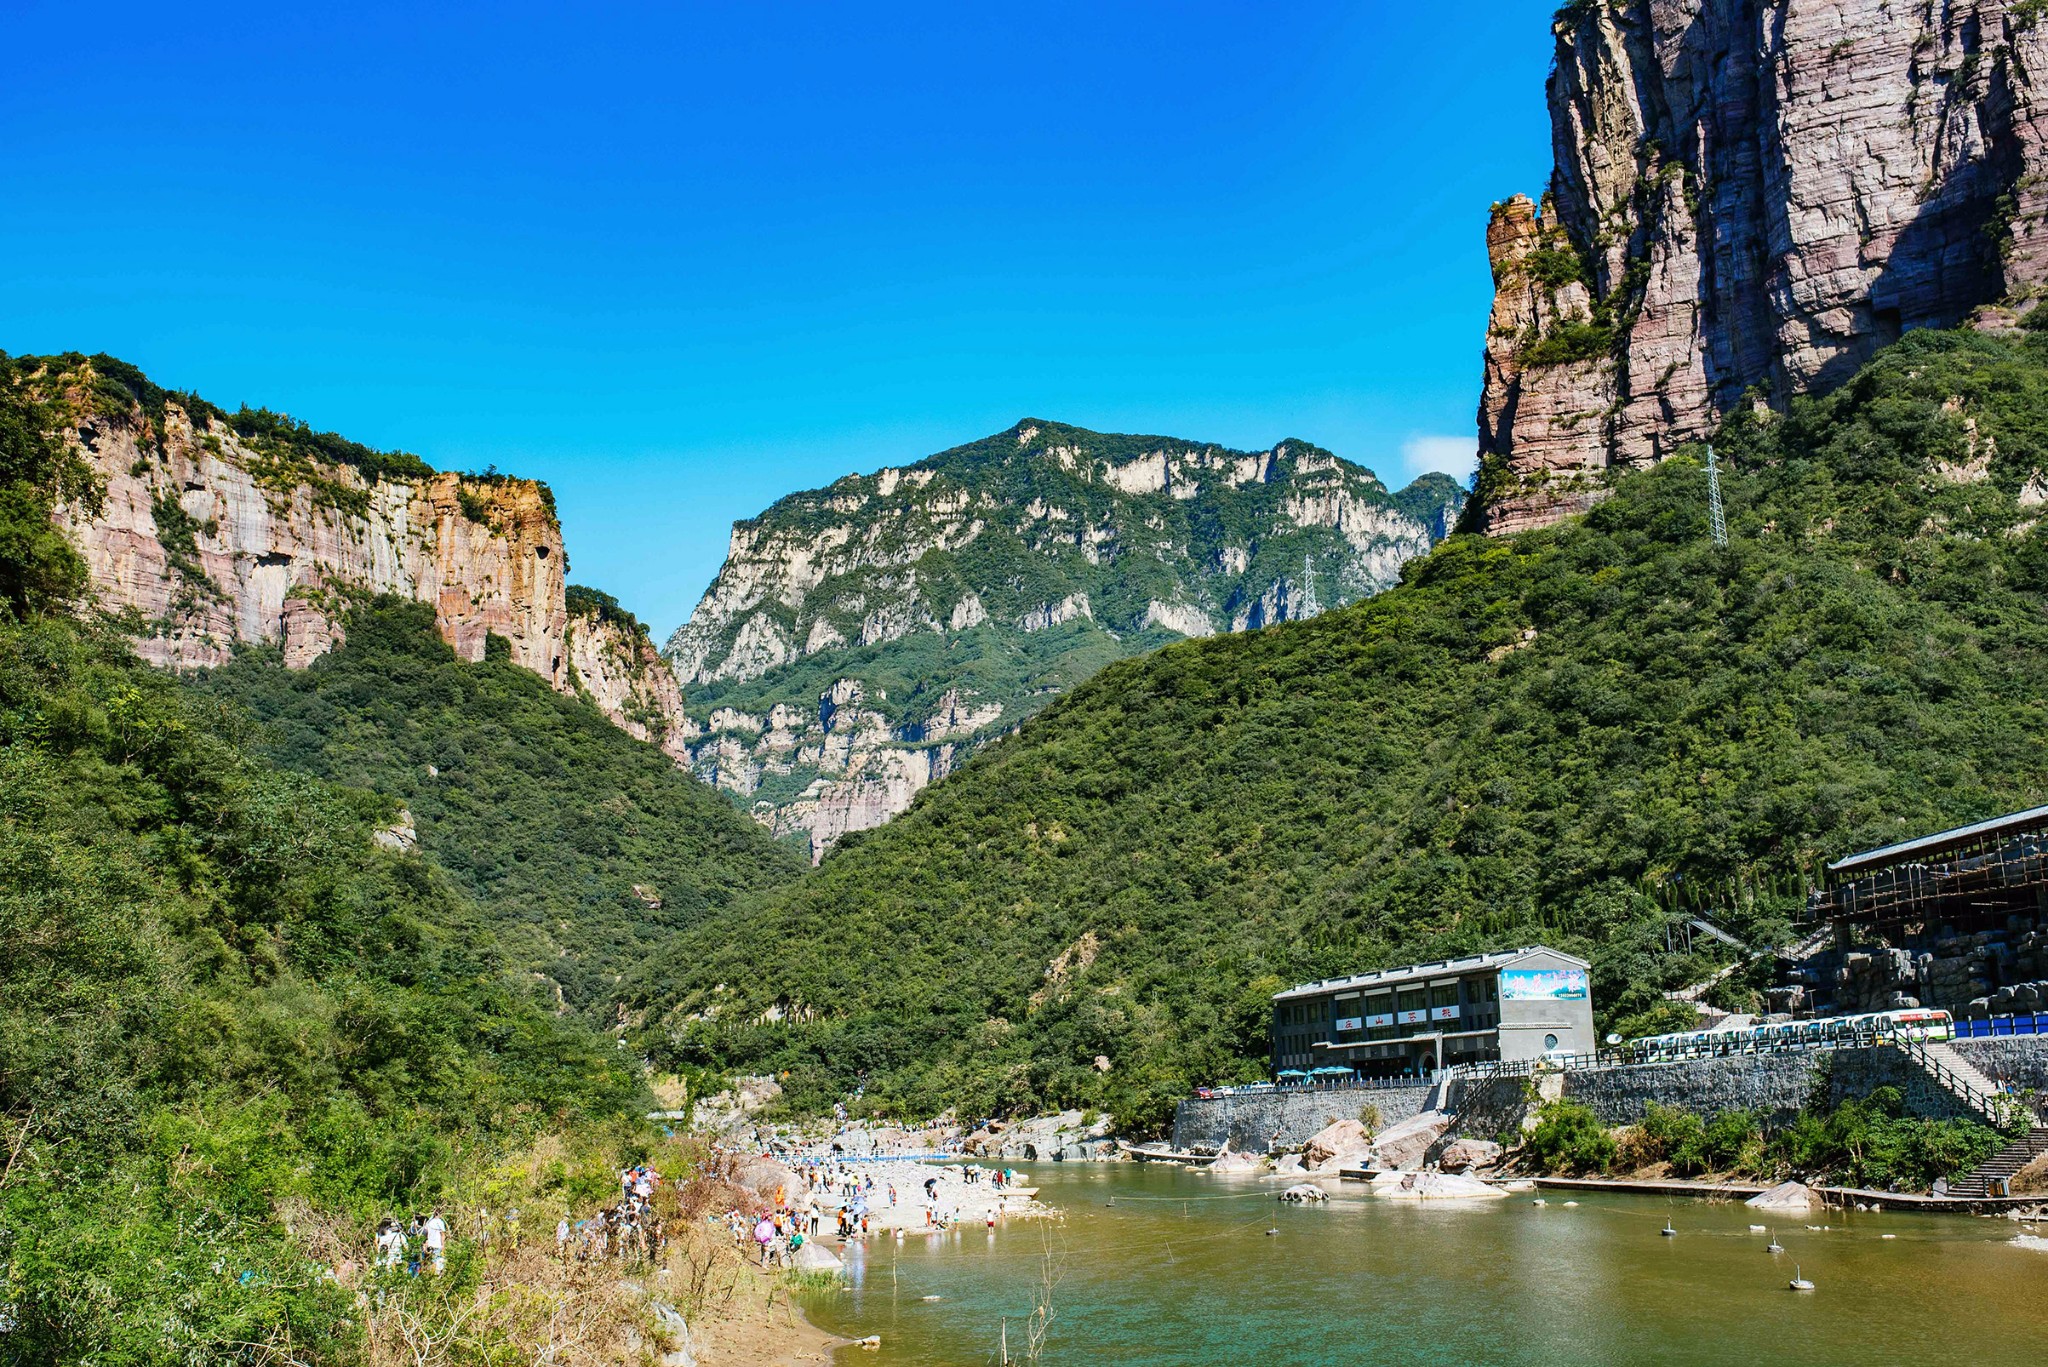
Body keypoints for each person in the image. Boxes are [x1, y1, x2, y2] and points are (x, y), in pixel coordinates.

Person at [424, 1207, 447, 1274]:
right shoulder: (439, 1222)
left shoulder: (429, 1222)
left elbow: (426, 1233)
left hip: (430, 1244)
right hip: (437, 1245)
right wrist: (443, 1245)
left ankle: (429, 1274)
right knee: (438, 1260)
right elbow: (442, 1235)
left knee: (430, 1261)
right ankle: (436, 1275)